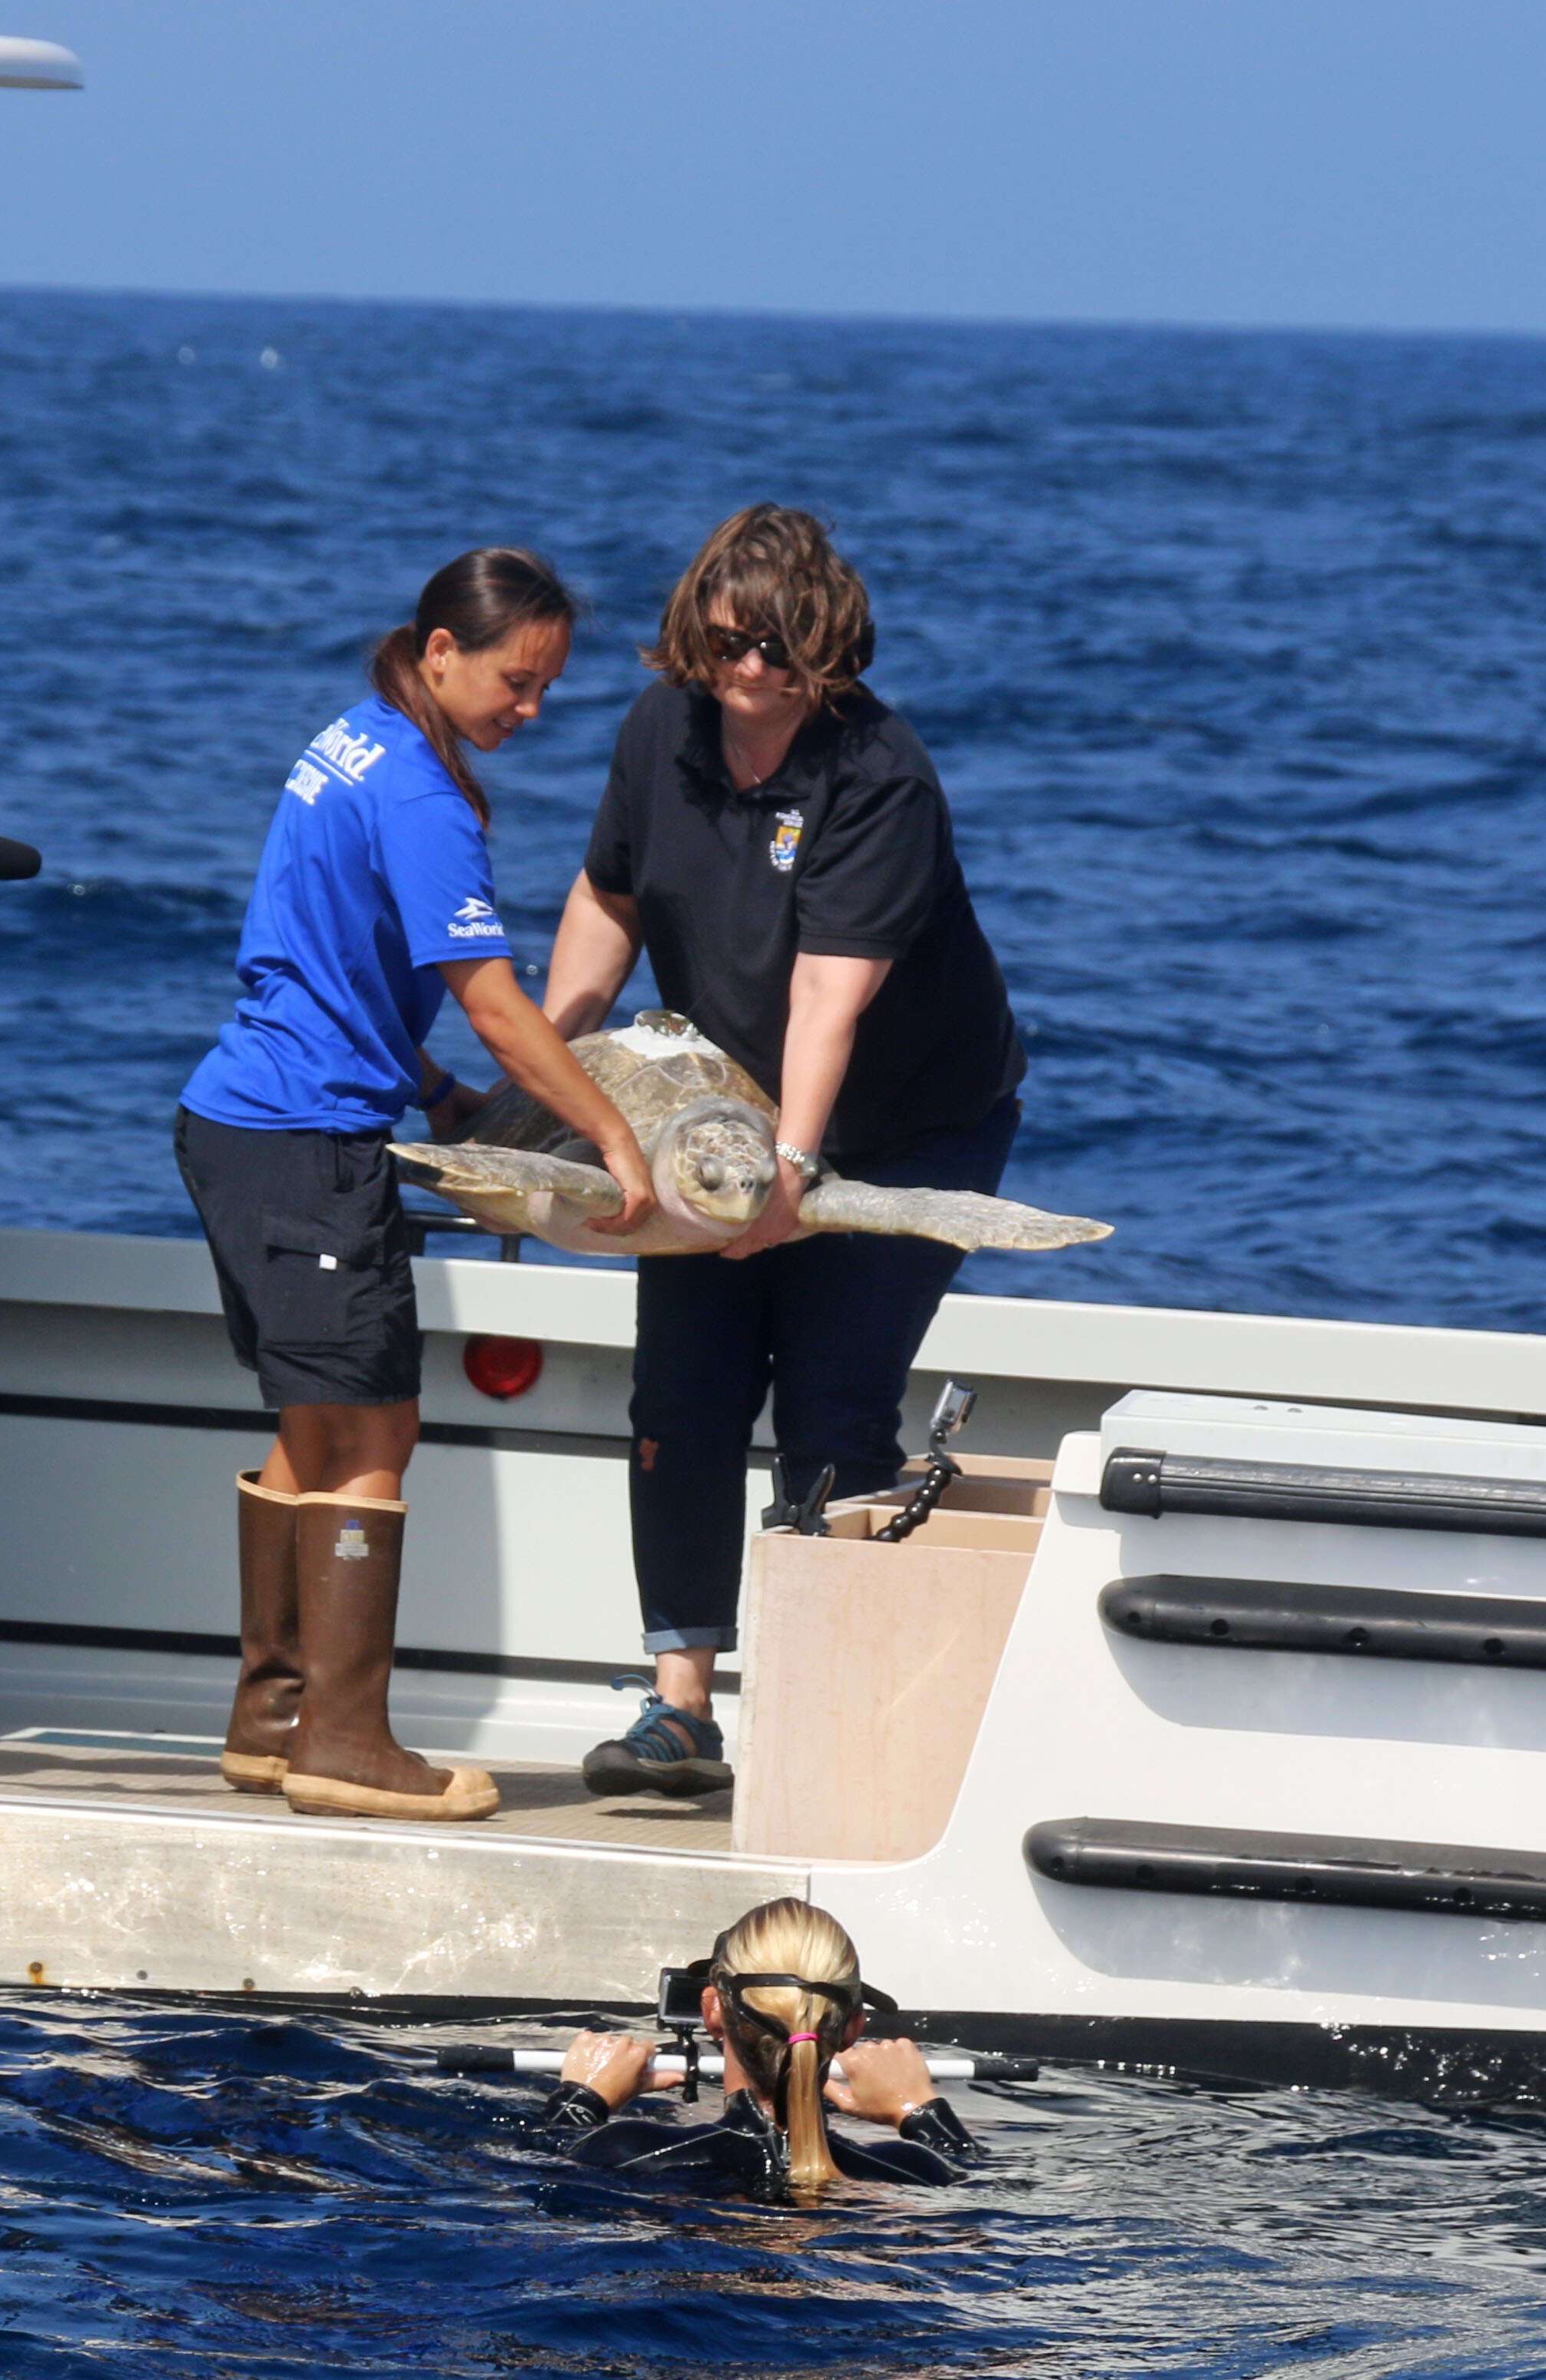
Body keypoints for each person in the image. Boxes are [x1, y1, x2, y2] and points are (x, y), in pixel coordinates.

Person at [539, 505, 1028, 1800]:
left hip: (903, 1120)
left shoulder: (879, 776)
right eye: (727, 643)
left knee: (830, 1400)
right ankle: (679, 1704)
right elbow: (608, 892)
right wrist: (543, 1054)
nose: (749, 671)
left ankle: (839, 1702)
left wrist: (795, 1176)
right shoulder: (662, 731)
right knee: (682, 1395)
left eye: (779, 649)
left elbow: (829, 994)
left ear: (828, 650)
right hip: (723, 1112)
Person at [172, 548, 661, 1825]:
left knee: (313, 1424)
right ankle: (344, 1741)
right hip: (305, 1141)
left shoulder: (355, 738)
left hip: (237, 1127)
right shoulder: (426, 798)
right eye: (516, 678)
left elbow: (336, 957)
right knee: (379, 1432)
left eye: (549, 686)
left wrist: (432, 1094)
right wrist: (611, 1131)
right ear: (439, 649)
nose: (530, 708)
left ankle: (271, 1722)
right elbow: (495, 999)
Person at [542, 1897, 984, 2196]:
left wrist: (580, 2103)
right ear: (852, 2027)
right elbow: (982, 2186)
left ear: (712, 2011)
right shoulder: (917, 2171)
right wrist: (923, 2112)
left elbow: (533, 2174)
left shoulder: (623, 2151)